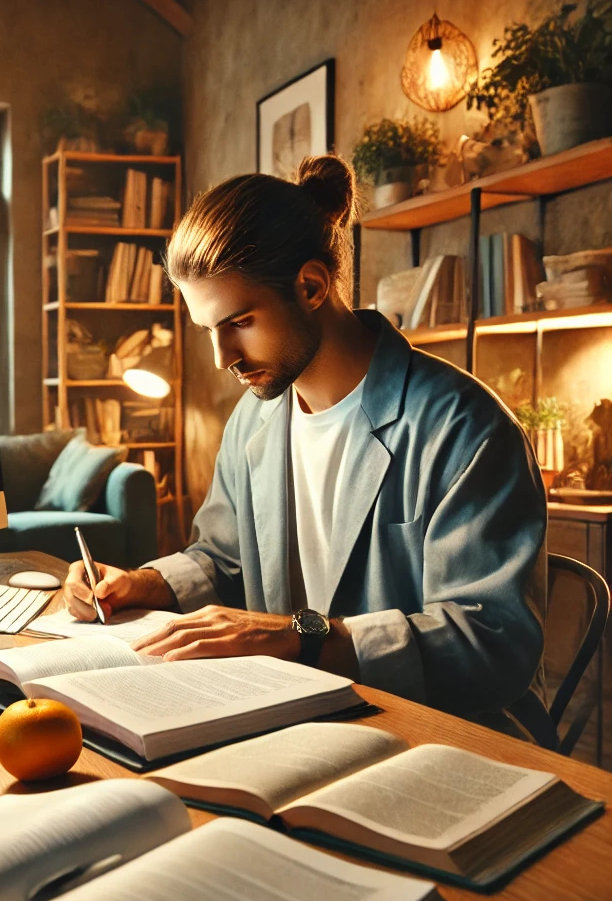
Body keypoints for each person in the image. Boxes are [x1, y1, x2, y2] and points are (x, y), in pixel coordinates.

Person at [64, 155, 548, 723]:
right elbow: (224, 559)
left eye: (239, 322)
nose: (222, 359)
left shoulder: (464, 427)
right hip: (295, 719)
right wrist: (139, 584)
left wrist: (302, 636)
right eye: (208, 331)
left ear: (312, 286)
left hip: (445, 734)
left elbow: (492, 641)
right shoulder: (254, 419)